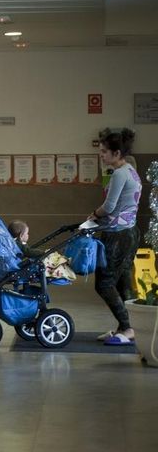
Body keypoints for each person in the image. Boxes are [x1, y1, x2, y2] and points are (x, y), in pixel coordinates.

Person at [89, 128, 141, 345]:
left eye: (104, 151)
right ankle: (127, 327)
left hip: (117, 236)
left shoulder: (119, 173)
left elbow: (109, 207)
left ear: (116, 153)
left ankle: (128, 327)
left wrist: (93, 215)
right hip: (130, 233)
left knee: (104, 283)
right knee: (122, 282)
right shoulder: (130, 170)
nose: (101, 155)